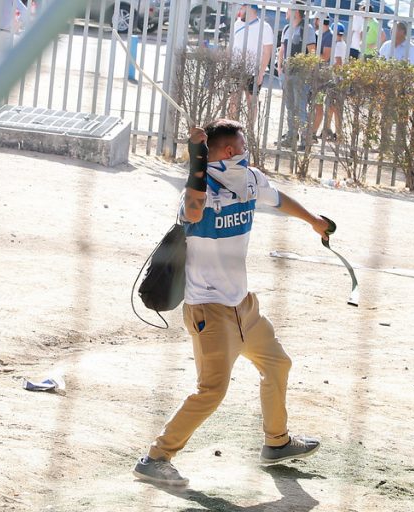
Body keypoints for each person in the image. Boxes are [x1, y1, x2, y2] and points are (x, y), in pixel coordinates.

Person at [133, 119, 329, 486]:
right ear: (227, 152)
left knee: (277, 364)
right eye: (242, 144)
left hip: (244, 306)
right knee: (212, 390)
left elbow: (278, 198)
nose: (246, 149)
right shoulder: (200, 186)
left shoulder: (250, 179)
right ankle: (155, 457)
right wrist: (196, 157)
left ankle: (277, 442)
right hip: (208, 309)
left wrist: (313, 221)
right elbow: (192, 211)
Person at [276, 0, 316, 148]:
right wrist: (279, 69)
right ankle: (291, 137)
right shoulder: (287, 28)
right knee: (290, 107)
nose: (286, 11)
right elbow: (282, 49)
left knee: (300, 108)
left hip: (300, 75)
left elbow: (312, 51)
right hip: (287, 74)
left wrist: (308, 72)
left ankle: (305, 141)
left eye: (289, 9)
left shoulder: (307, 28)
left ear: (296, 12)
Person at [229, 3, 275, 120]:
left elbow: (267, 52)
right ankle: (232, 131)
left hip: (253, 71)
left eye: (243, 6)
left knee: (251, 102)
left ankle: (250, 132)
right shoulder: (237, 24)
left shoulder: (265, 27)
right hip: (236, 69)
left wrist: (261, 72)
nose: (240, 9)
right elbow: (231, 46)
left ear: (250, 8)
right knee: (233, 101)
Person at [322, 22, 348, 141]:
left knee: (334, 107)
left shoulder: (337, 45)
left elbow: (338, 63)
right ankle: (328, 130)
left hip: (336, 79)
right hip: (340, 79)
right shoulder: (343, 44)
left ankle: (337, 134)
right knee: (332, 107)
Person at [311, 13, 333, 142]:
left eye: (316, 19)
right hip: (315, 74)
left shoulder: (329, 36)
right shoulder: (318, 34)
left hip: (322, 77)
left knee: (318, 105)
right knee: (314, 104)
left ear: (320, 20)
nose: (314, 21)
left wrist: (311, 55)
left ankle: (313, 133)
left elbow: (325, 56)